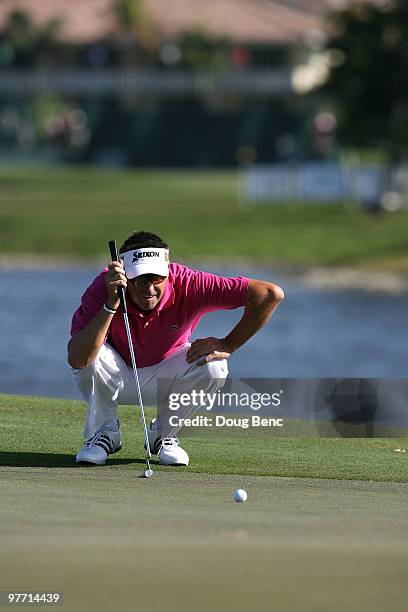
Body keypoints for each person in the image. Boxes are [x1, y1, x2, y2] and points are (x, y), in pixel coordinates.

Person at [68, 230, 284, 466]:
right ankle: (104, 432)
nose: (148, 289)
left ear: (168, 271)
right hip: (115, 374)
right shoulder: (104, 287)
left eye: (157, 279)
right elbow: (77, 358)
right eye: (139, 280)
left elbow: (270, 294)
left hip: (168, 374)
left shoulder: (190, 283)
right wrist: (111, 304)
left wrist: (229, 343)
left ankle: (164, 435)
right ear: (124, 274)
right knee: (93, 353)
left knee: (214, 365)